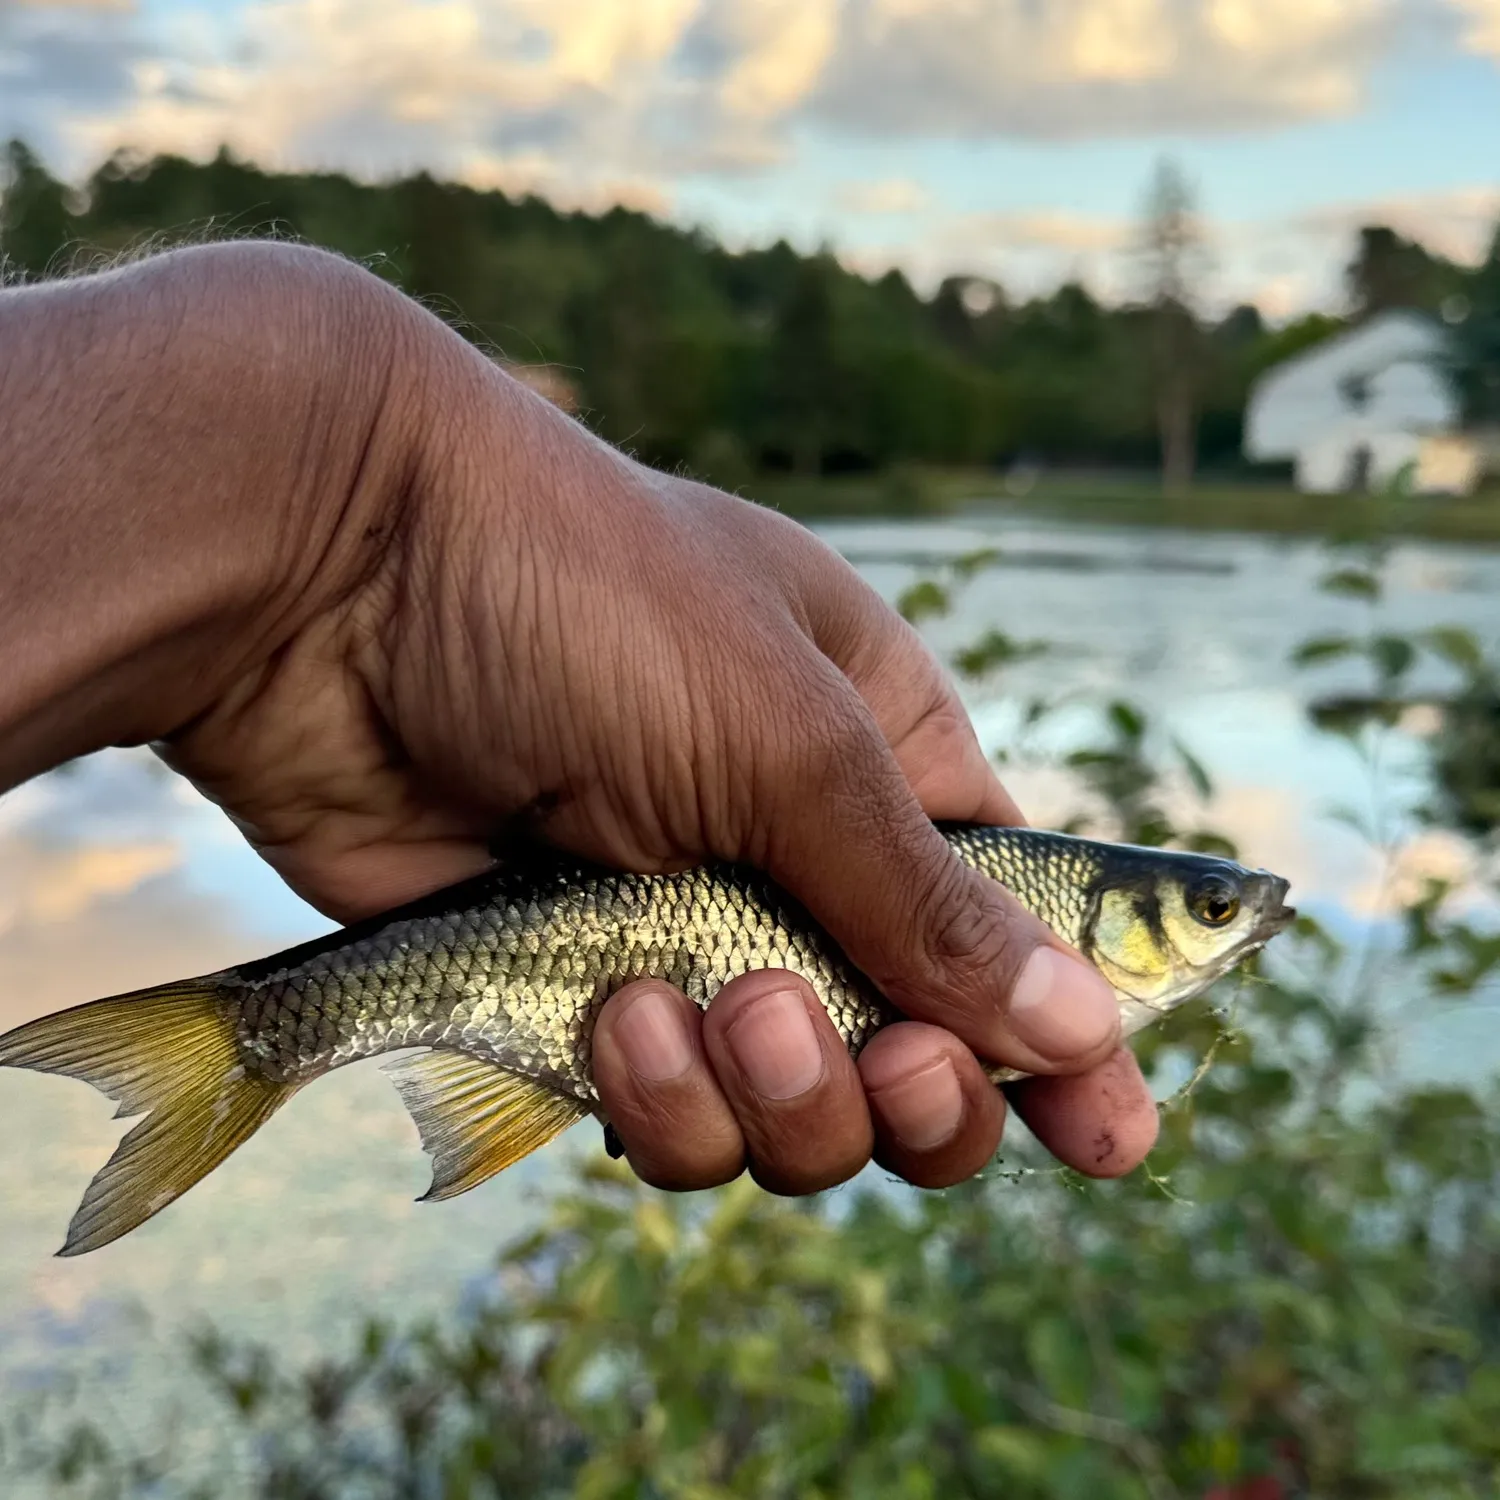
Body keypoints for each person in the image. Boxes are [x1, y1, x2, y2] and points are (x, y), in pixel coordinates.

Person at [0, 242, 1158, 1198]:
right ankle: (251, 1033)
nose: (1238, 919)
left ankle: (274, 1037)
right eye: (1201, 909)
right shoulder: (997, 910)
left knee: (770, 1068)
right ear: (1097, 926)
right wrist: (355, 478)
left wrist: (338, 518)